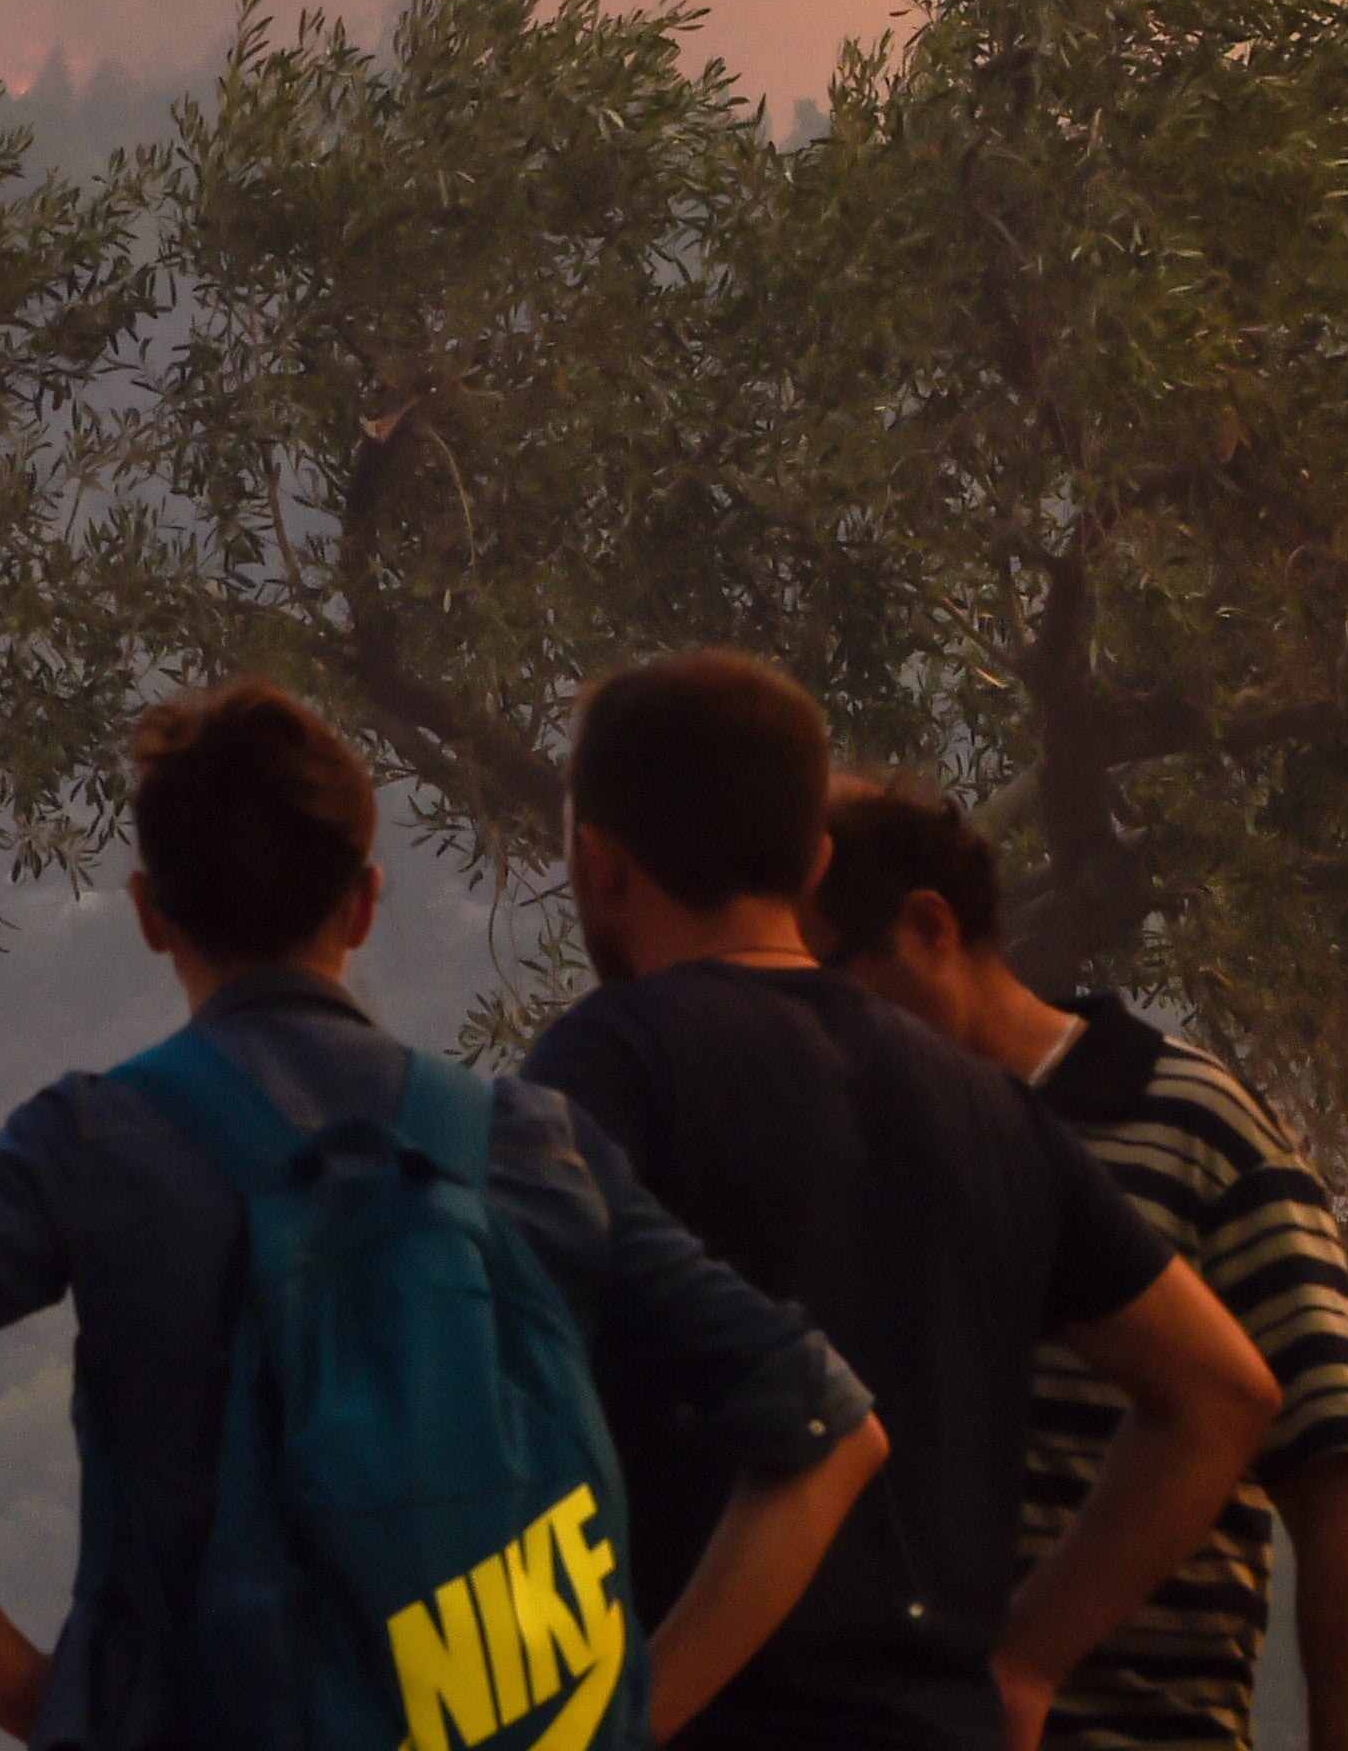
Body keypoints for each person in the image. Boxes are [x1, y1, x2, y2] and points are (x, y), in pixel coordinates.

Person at [0, 677, 894, 1749]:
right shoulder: (534, 1143)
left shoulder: (93, 1144)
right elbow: (831, 1432)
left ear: (151, 915)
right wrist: (628, 1716)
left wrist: (20, 1685)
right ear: (362, 897)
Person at [524, 653, 1278, 1751]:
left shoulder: (609, 1066)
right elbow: (1223, 1392)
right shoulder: (989, 1107)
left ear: (597, 866)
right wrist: (1022, 1662)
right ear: (811, 858)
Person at [809, 783, 1348, 1751]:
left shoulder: (1192, 1126)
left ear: (925, 928)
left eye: (816, 983)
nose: (800, 1027)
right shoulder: (824, 1152)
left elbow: (1338, 1496)